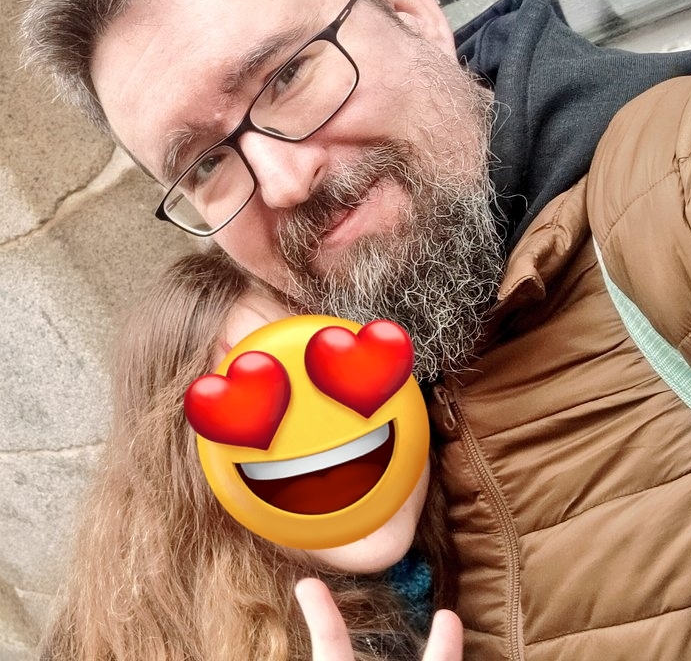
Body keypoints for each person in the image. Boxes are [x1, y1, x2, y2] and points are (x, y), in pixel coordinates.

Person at [23, 0, 691, 658]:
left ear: (409, 6)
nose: (283, 181)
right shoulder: (325, 393)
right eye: (204, 164)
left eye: (288, 75)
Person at [41, 251, 463, 661]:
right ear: (193, 477)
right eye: (254, 407)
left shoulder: (462, 550)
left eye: (336, 375)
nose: (327, 447)